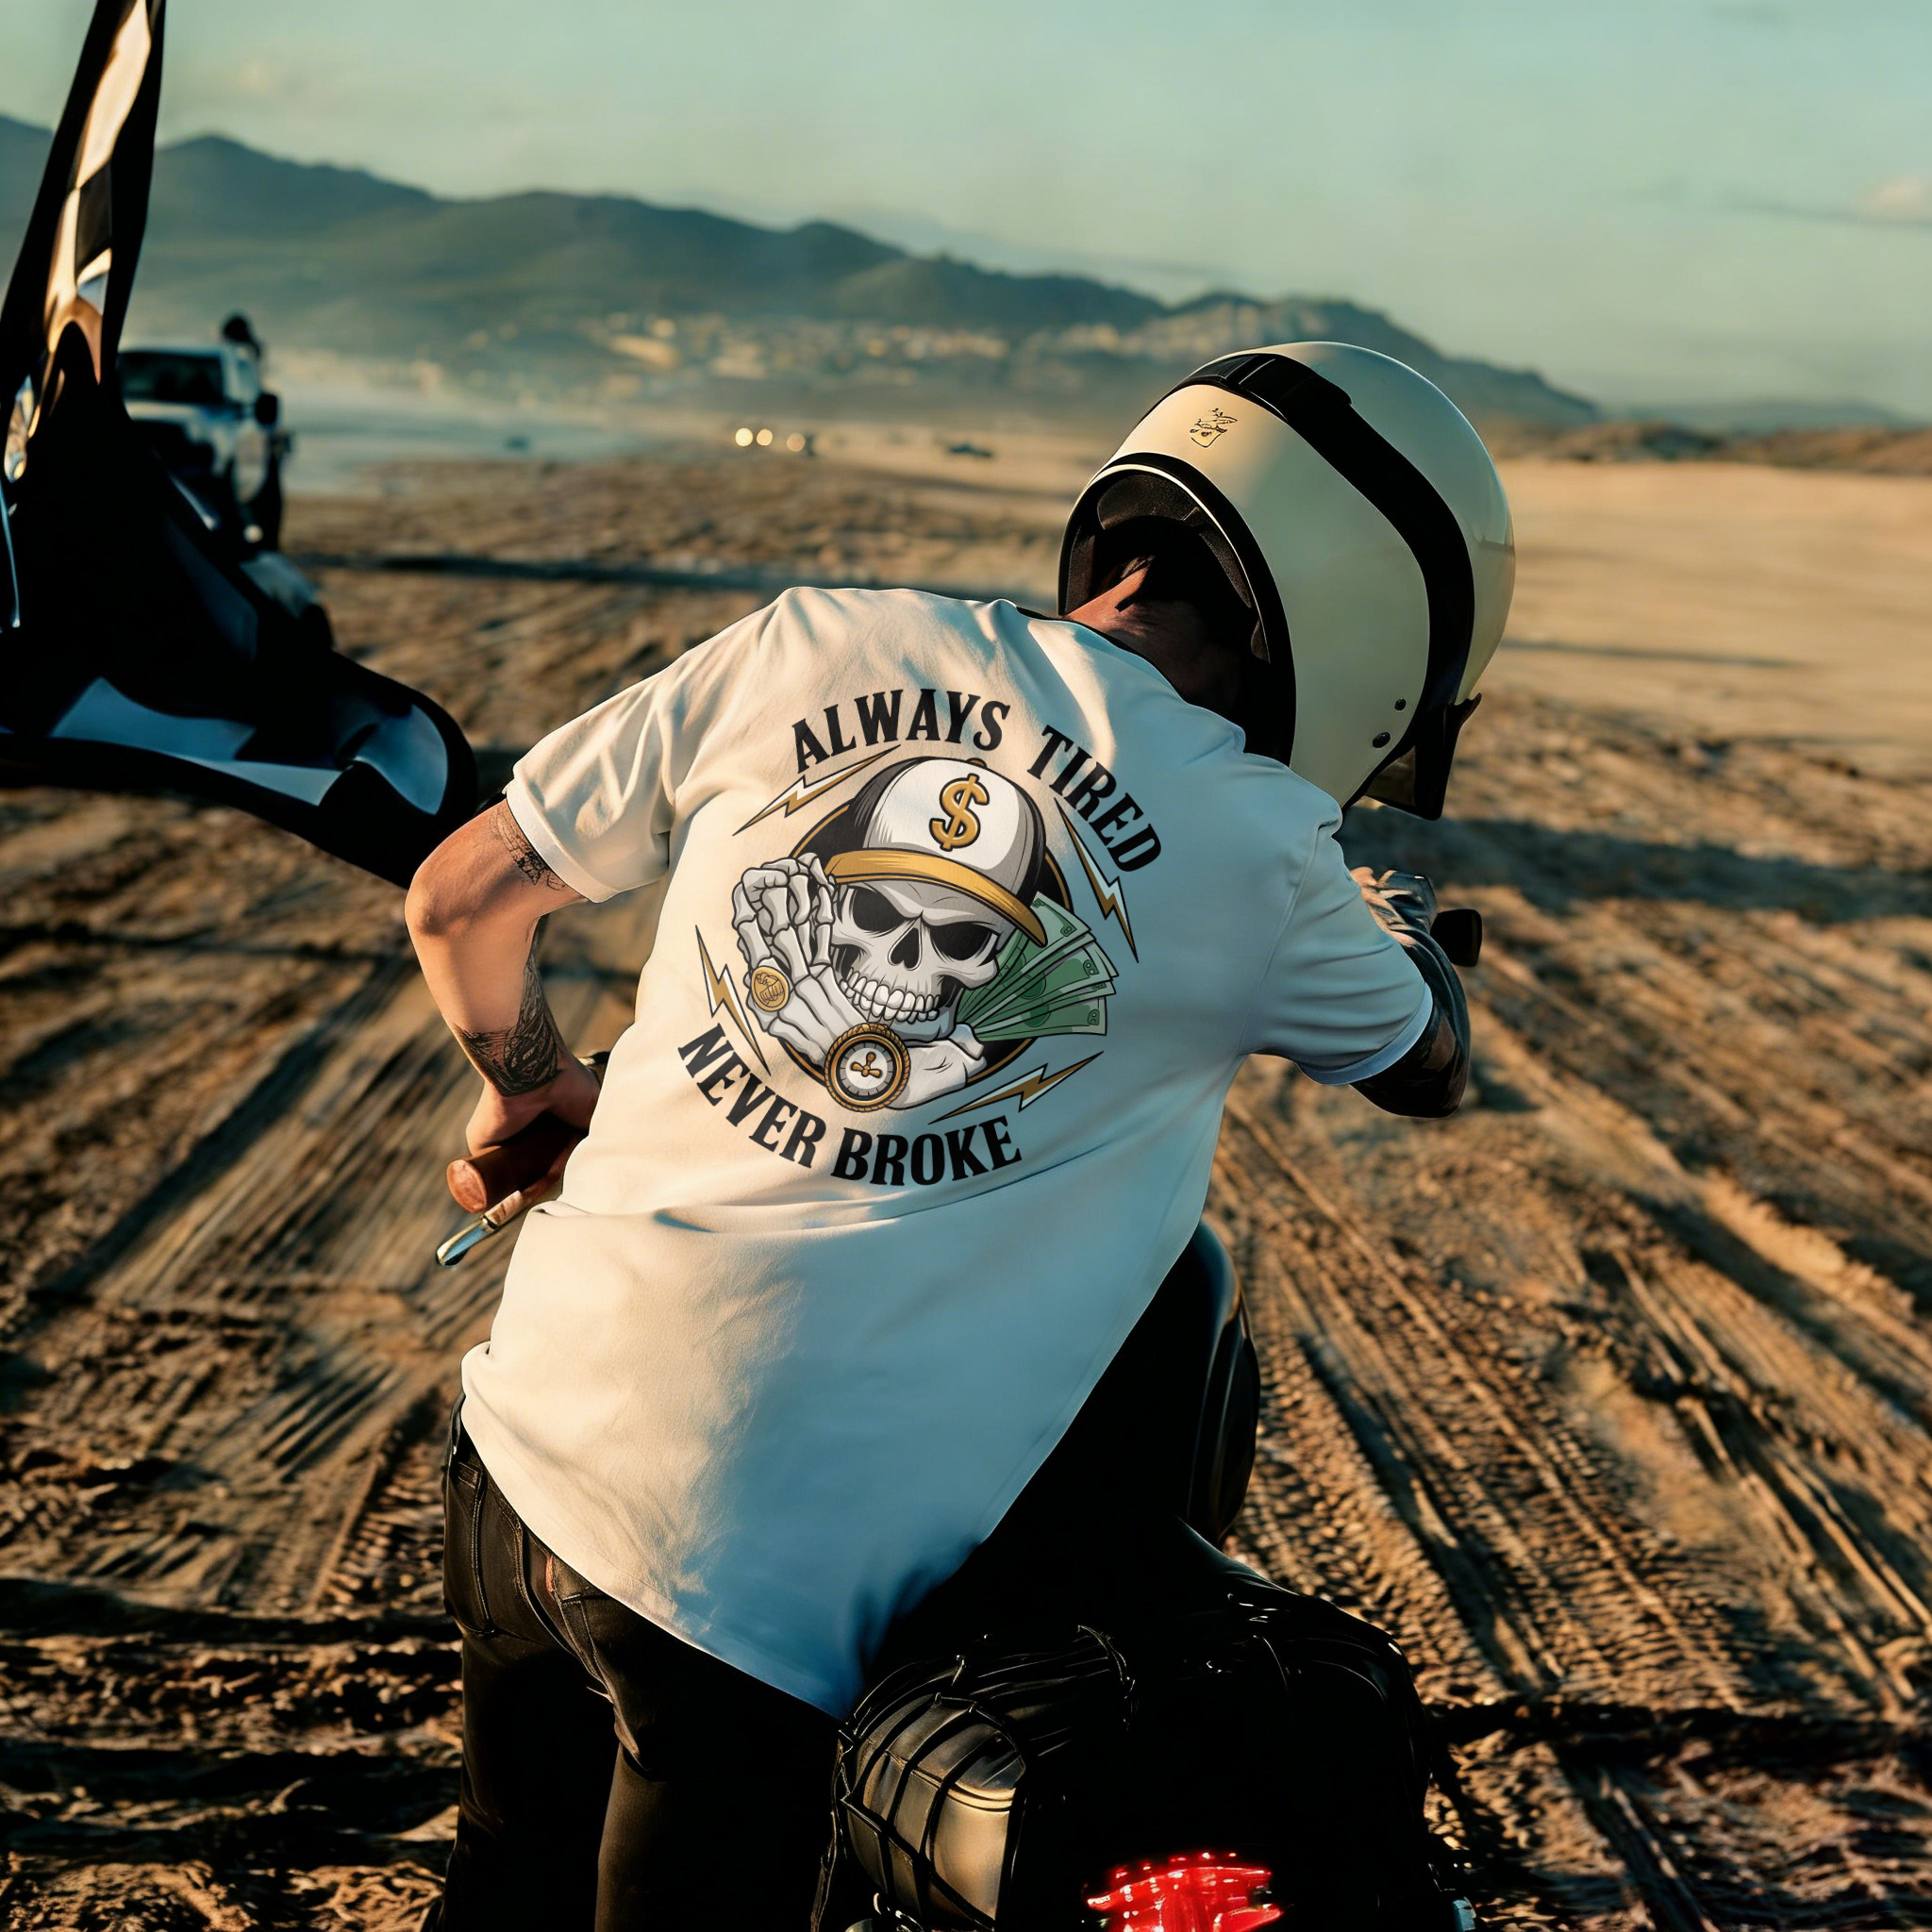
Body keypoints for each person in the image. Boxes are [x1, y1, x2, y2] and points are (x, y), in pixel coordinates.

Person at [404, 341, 1515, 1929]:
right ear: (1374, 632)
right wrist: (1386, 921)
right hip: (736, 1574)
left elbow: (459, 899)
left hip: (520, 1456)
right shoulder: (1262, 841)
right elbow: (1426, 1064)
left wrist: (528, 1087)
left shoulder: (811, 638)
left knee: (502, 1889)